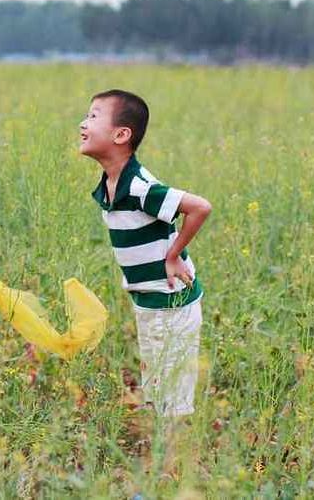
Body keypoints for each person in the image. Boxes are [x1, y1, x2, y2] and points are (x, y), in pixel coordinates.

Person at [79, 89, 212, 420]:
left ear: (121, 135)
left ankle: (176, 465)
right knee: (155, 391)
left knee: (173, 399)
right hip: (149, 303)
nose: (83, 123)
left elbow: (199, 207)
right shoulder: (112, 183)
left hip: (173, 306)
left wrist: (173, 255)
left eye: (93, 116)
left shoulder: (138, 186)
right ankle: (162, 461)